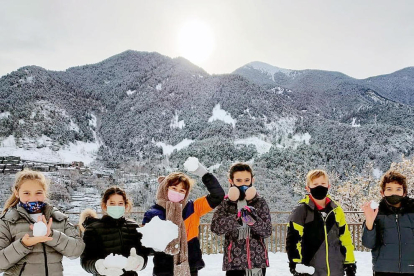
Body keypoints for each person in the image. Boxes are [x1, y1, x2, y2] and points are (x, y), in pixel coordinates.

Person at [143, 158, 225, 276]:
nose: (177, 192)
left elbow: (218, 196)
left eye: (182, 190)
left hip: (190, 267)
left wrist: (203, 173)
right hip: (164, 269)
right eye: (174, 188)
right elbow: (146, 244)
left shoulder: (193, 208)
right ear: (165, 188)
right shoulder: (153, 213)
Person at [0, 169, 85, 276]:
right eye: (26, 193)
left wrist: (51, 235)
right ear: (17, 193)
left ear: (45, 193)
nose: (33, 198)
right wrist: (23, 245)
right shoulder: (7, 221)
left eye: (38, 193)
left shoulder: (59, 218)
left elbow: (76, 250)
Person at [286, 169, 356, 276]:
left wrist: (350, 262)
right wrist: (295, 263)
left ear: (328, 186)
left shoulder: (336, 210)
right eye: (315, 184)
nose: (320, 187)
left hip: (336, 270)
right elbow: (293, 240)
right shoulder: (301, 210)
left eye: (323, 183)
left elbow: (345, 238)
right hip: (310, 270)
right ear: (308, 188)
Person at [211, 162, 272, 276]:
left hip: (257, 263)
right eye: (239, 180)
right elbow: (215, 227)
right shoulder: (226, 203)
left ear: (252, 180)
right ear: (231, 181)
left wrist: (253, 221)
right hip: (234, 263)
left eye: (246, 180)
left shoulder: (260, 202)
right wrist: (236, 219)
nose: (243, 184)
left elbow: (267, 231)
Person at [80, 186, 149, 276]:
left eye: (120, 203)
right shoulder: (93, 229)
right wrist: (99, 266)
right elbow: (85, 260)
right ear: (105, 205)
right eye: (112, 203)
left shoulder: (133, 227)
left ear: (126, 205)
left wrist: (139, 262)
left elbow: (143, 253)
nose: (116, 206)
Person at [362, 170, 414, 276]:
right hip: (383, 270)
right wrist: (369, 223)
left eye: (398, 189)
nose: (394, 193)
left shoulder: (412, 212)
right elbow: (368, 243)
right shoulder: (376, 213)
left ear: (404, 192)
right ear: (382, 192)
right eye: (389, 189)